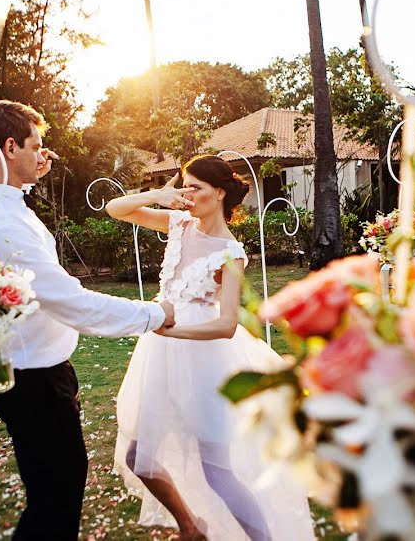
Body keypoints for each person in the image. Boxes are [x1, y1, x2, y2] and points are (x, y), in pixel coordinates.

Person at [0, 100, 176, 540]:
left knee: (51, 493)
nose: (45, 155)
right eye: (36, 145)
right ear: (8, 146)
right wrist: (155, 314)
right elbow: (71, 303)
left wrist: (32, 166)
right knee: (55, 501)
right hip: (34, 380)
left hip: (26, 370)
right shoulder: (2, 222)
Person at [108, 155, 314, 541]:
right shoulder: (176, 223)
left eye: (195, 187)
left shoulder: (229, 252)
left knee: (217, 470)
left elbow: (226, 323)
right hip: (160, 357)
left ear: (219, 193)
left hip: (203, 360)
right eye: (183, 185)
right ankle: (192, 526)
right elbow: (115, 209)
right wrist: (160, 193)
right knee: (140, 457)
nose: (187, 194)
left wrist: (171, 332)